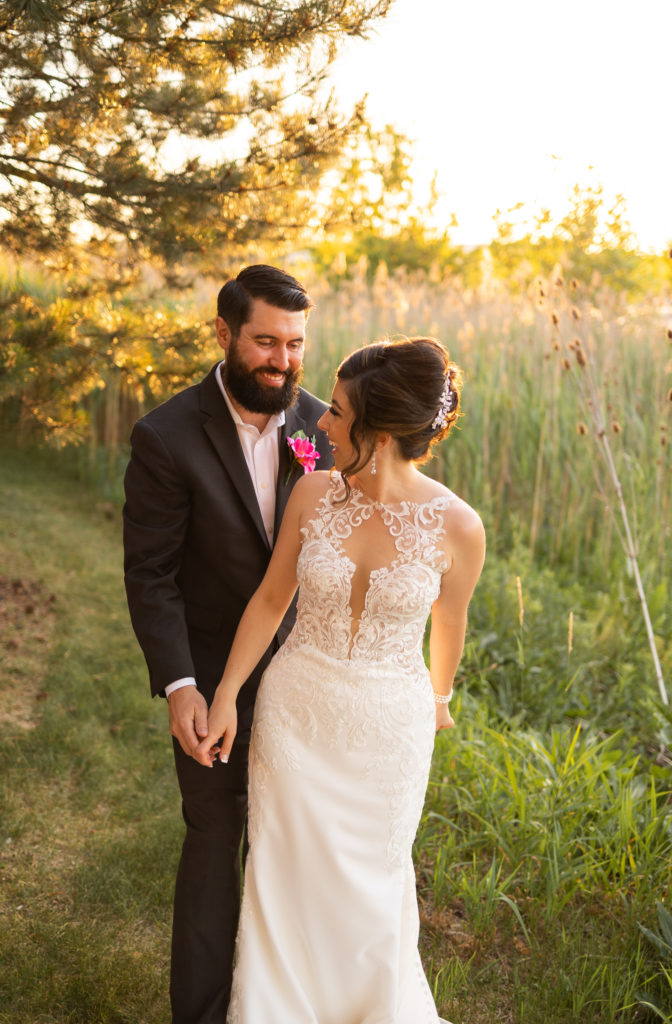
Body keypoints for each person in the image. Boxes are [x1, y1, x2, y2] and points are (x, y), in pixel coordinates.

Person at [195, 336, 486, 1023]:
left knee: (373, 884)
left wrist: (438, 698)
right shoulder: (313, 493)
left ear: (377, 432)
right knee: (283, 879)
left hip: (389, 731)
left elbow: (450, 624)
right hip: (295, 715)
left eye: (339, 412)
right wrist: (228, 692)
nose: (319, 420)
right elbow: (270, 602)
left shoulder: (459, 526)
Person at [122, 264, 333, 1024]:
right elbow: (151, 577)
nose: (282, 361)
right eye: (266, 342)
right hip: (212, 679)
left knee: (299, 856)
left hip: (312, 682)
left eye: (296, 344)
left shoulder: (325, 428)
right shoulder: (166, 436)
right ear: (223, 333)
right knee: (215, 844)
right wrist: (181, 685)